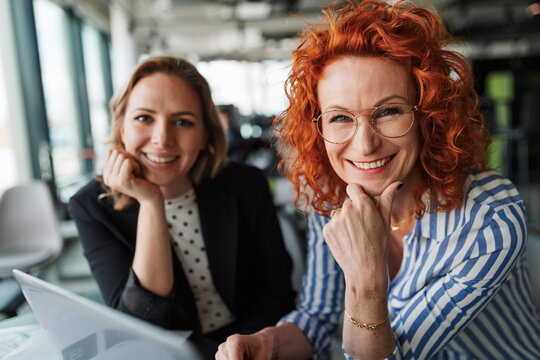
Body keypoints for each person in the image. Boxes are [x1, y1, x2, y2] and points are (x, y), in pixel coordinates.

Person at [216, 1, 540, 359]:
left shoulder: (488, 217)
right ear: (318, 127)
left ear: (427, 116)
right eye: (340, 117)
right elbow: (319, 320)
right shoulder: (331, 195)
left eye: (388, 111)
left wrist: (367, 281)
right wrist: (268, 343)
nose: (365, 145)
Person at [68, 56, 296, 359]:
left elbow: (276, 294)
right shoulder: (91, 206)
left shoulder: (246, 185)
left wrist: (244, 348)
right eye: (144, 118)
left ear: (204, 136)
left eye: (182, 122)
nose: (162, 139)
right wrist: (151, 203)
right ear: (122, 128)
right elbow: (136, 325)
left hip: (251, 346)